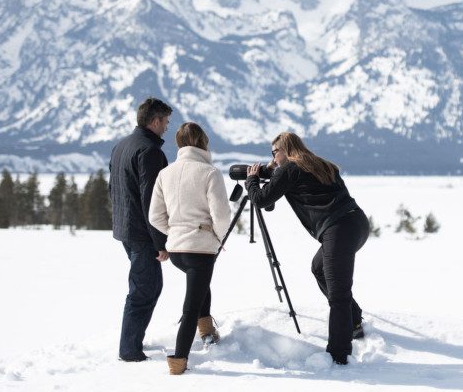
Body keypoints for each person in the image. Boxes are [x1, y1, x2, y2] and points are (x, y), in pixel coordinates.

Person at [246, 132, 369, 365]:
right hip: (357, 224)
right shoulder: (319, 164)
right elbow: (271, 199)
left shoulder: (290, 168)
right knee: (319, 268)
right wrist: (273, 175)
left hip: (338, 229)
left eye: (275, 153)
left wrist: (252, 180)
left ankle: (339, 354)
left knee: (338, 293)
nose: (273, 159)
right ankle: (353, 319)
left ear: (286, 150)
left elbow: (262, 200)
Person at [149, 122, 231, 375]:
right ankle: (179, 360)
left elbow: (155, 216)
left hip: (176, 251)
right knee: (191, 305)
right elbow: (222, 215)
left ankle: (207, 330)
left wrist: (174, 232)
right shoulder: (209, 172)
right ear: (203, 142)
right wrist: (216, 237)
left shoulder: (166, 173)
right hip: (201, 249)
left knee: (199, 287)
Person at [109, 97, 172, 362]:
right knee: (143, 289)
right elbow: (152, 200)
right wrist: (161, 241)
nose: (167, 128)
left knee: (149, 286)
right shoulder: (150, 151)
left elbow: (112, 189)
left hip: (126, 228)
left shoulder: (121, 146)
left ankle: (133, 343)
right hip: (142, 233)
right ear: (155, 121)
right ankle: (129, 350)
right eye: (166, 122)